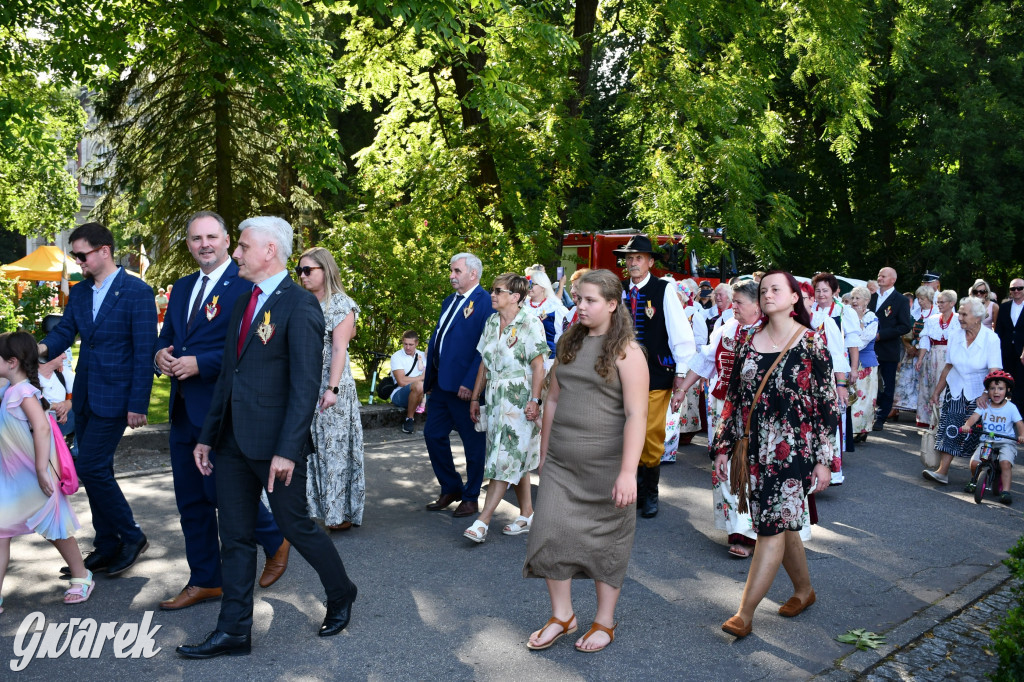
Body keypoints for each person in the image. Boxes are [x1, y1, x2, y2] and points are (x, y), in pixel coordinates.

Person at [177, 217, 357, 659]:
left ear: (269, 251)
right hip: (231, 443)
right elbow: (228, 380)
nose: (234, 253)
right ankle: (234, 631)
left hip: (277, 447)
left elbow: (304, 386)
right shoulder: (243, 303)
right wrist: (207, 436)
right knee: (234, 536)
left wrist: (287, 449)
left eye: (241, 246)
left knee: (295, 526)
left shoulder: (300, 306)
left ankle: (341, 592)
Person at [154, 211, 290, 611]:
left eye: (212, 236)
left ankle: (274, 536)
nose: (204, 244)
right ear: (189, 245)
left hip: (223, 410)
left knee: (221, 494)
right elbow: (167, 337)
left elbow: (251, 347)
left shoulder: (244, 285)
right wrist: (159, 354)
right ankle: (205, 581)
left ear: (228, 240)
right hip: (182, 410)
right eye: (196, 239)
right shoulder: (180, 289)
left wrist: (202, 363)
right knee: (190, 502)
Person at [523, 269, 648, 652]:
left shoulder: (628, 350)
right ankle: (563, 616)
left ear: (612, 304)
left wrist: (628, 473)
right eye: (578, 299)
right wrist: (545, 453)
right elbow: (554, 399)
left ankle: (604, 621)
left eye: (590, 300)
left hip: (608, 469)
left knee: (606, 544)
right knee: (548, 534)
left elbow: (636, 416)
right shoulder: (569, 343)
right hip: (562, 463)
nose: (581, 306)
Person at [712, 271, 838, 639]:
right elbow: (734, 395)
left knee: (770, 526)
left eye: (775, 289)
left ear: (795, 297)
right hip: (753, 446)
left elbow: (827, 407)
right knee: (783, 522)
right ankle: (804, 591)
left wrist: (823, 459)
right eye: (763, 289)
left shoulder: (813, 343)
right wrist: (723, 444)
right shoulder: (749, 338)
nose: (767, 294)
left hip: (793, 451)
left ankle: (744, 613)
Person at [40, 221, 156, 577]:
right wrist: (36, 351)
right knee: (97, 469)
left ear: (104, 251)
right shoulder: (79, 291)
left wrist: (138, 403)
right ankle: (107, 544)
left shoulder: (137, 292)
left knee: (90, 466)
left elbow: (143, 352)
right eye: (75, 256)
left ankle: (132, 536)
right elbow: (64, 332)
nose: (78, 262)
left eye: (82, 255)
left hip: (118, 398)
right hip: (86, 394)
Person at [0, 332, 94, 613]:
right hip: (13, 477)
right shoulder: (10, 389)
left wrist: (42, 469)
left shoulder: (22, 392)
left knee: (54, 527)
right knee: (2, 530)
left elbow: (41, 428)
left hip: (33, 475)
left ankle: (82, 576)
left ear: (12, 362)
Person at [680, 279, 765, 558]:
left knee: (753, 468)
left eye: (739, 302)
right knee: (725, 466)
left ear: (757, 304)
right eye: (734, 301)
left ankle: (758, 531)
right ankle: (738, 530)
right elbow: (705, 359)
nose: (734, 307)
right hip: (723, 407)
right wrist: (682, 389)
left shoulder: (769, 332)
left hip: (756, 412)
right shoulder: (727, 327)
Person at [614, 235, 696, 518]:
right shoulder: (618, 290)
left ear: (650, 262)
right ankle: (632, 486)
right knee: (621, 429)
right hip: (619, 375)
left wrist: (681, 373)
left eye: (639, 258)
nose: (633, 263)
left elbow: (680, 334)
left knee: (650, 433)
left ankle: (650, 491)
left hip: (655, 374)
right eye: (630, 258)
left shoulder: (663, 289)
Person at [463, 273, 548, 542]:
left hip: (521, 399)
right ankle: (527, 513)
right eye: (493, 290)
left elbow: (539, 366)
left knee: (504, 458)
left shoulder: (530, 323)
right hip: (496, 398)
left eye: (498, 291)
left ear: (515, 297)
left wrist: (535, 400)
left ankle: (482, 521)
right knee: (513, 456)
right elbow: (484, 363)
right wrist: (476, 398)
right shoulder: (490, 321)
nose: (493, 294)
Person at [297, 247, 365, 531]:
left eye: (308, 270)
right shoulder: (301, 301)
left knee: (334, 450)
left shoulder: (341, 304)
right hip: (304, 385)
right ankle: (312, 507)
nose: (302, 276)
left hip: (331, 387)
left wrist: (332, 389)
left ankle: (339, 514)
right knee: (309, 450)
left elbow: (339, 349)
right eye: (299, 270)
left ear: (326, 271)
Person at [423, 253, 495, 518]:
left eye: (456, 271)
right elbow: (439, 340)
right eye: (451, 271)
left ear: (473, 274)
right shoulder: (450, 301)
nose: (451, 275)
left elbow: (483, 348)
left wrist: (470, 384)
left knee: (473, 445)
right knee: (433, 434)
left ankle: (471, 497)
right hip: (442, 385)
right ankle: (451, 486)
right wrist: (430, 378)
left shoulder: (485, 302)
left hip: (465, 388)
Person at [924, 296, 1002, 486]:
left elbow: (994, 371)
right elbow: (948, 366)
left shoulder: (990, 338)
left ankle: (981, 474)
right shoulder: (956, 334)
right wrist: (936, 392)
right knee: (950, 427)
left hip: (979, 391)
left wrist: (987, 394)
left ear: (978, 317)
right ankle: (942, 471)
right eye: (960, 312)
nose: (960, 317)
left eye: (964, 314)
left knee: (977, 433)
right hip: (956, 387)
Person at [802, 282, 849, 485]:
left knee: (823, 426)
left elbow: (838, 356)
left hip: (821, 384)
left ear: (812, 300)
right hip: (797, 385)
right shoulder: (786, 322)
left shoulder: (825, 322)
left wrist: (840, 385)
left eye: (804, 298)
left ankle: (826, 471)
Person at [811, 273, 859, 455]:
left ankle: (834, 449)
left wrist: (854, 368)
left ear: (834, 291)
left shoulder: (844, 311)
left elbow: (852, 343)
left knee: (836, 405)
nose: (821, 294)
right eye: (818, 290)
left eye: (825, 290)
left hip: (838, 365)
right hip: (814, 365)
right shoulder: (810, 309)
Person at [960, 370, 1023, 505]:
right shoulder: (985, 405)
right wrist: (967, 425)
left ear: (1007, 390)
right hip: (987, 441)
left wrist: (1022, 435)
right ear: (987, 390)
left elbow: (1019, 423)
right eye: (992, 388)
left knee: (1005, 463)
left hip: (1006, 441)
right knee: (975, 462)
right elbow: (974, 417)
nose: (996, 392)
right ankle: (974, 480)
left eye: (1000, 389)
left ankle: (1006, 491)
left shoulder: (1011, 408)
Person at [869, 267, 914, 432]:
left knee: (888, 385)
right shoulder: (871, 297)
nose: (879, 278)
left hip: (888, 348)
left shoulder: (900, 300)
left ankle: (881, 417)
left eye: (883, 276)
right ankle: (870, 413)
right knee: (869, 382)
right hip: (869, 349)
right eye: (879, 275)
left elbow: (904, 326)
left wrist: (882, 335)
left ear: (892, 280)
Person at [916, 289, 958, 428]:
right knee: (929, 386)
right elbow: (925, 340)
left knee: (946, 387)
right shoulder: (932, 319)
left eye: (942, 302)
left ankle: (943, 420)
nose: (939, 304)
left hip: (949, 356)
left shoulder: (958, 319)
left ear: (952, 303)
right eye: (937, 302)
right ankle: (928, 419)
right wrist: (921, 358)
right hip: (932, 355)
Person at [848, 286, 879, 442]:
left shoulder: (871, 318)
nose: (854, 301)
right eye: (853, 298)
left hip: (865, 363)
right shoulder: (847, 314)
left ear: (867, 301)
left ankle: (859, 430)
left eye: (858, 298)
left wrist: (859, 319)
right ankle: (851, 429)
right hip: (848, 361)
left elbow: (862, 341)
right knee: (850, 395)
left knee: (863, 397)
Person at [525, 269, 567, 370]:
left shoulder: (554, 307)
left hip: (548, 360)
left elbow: (564, 334)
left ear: (542, 287)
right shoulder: (522, 306)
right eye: (528, 284)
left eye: (532, 284)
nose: (529, 287)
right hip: (524, 359)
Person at [995, 278, 1024, 412]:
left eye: (1019, 288)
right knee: (1005, 384)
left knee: (1021, 386)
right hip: (1005, 352)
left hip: (1022, 353)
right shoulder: (1004, 307)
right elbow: (999, 330)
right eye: (1013, 289)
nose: (1016, 291)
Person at [390, 330, 426, 433]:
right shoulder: (396, 356)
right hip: (399, 394)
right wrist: (420, 378)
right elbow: (401, 381)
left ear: (417, 343)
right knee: (419, 386)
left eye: (411, 344)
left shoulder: (422, 355)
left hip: (421, 393)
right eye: (405, 344)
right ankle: (409, 419)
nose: (408, 347)